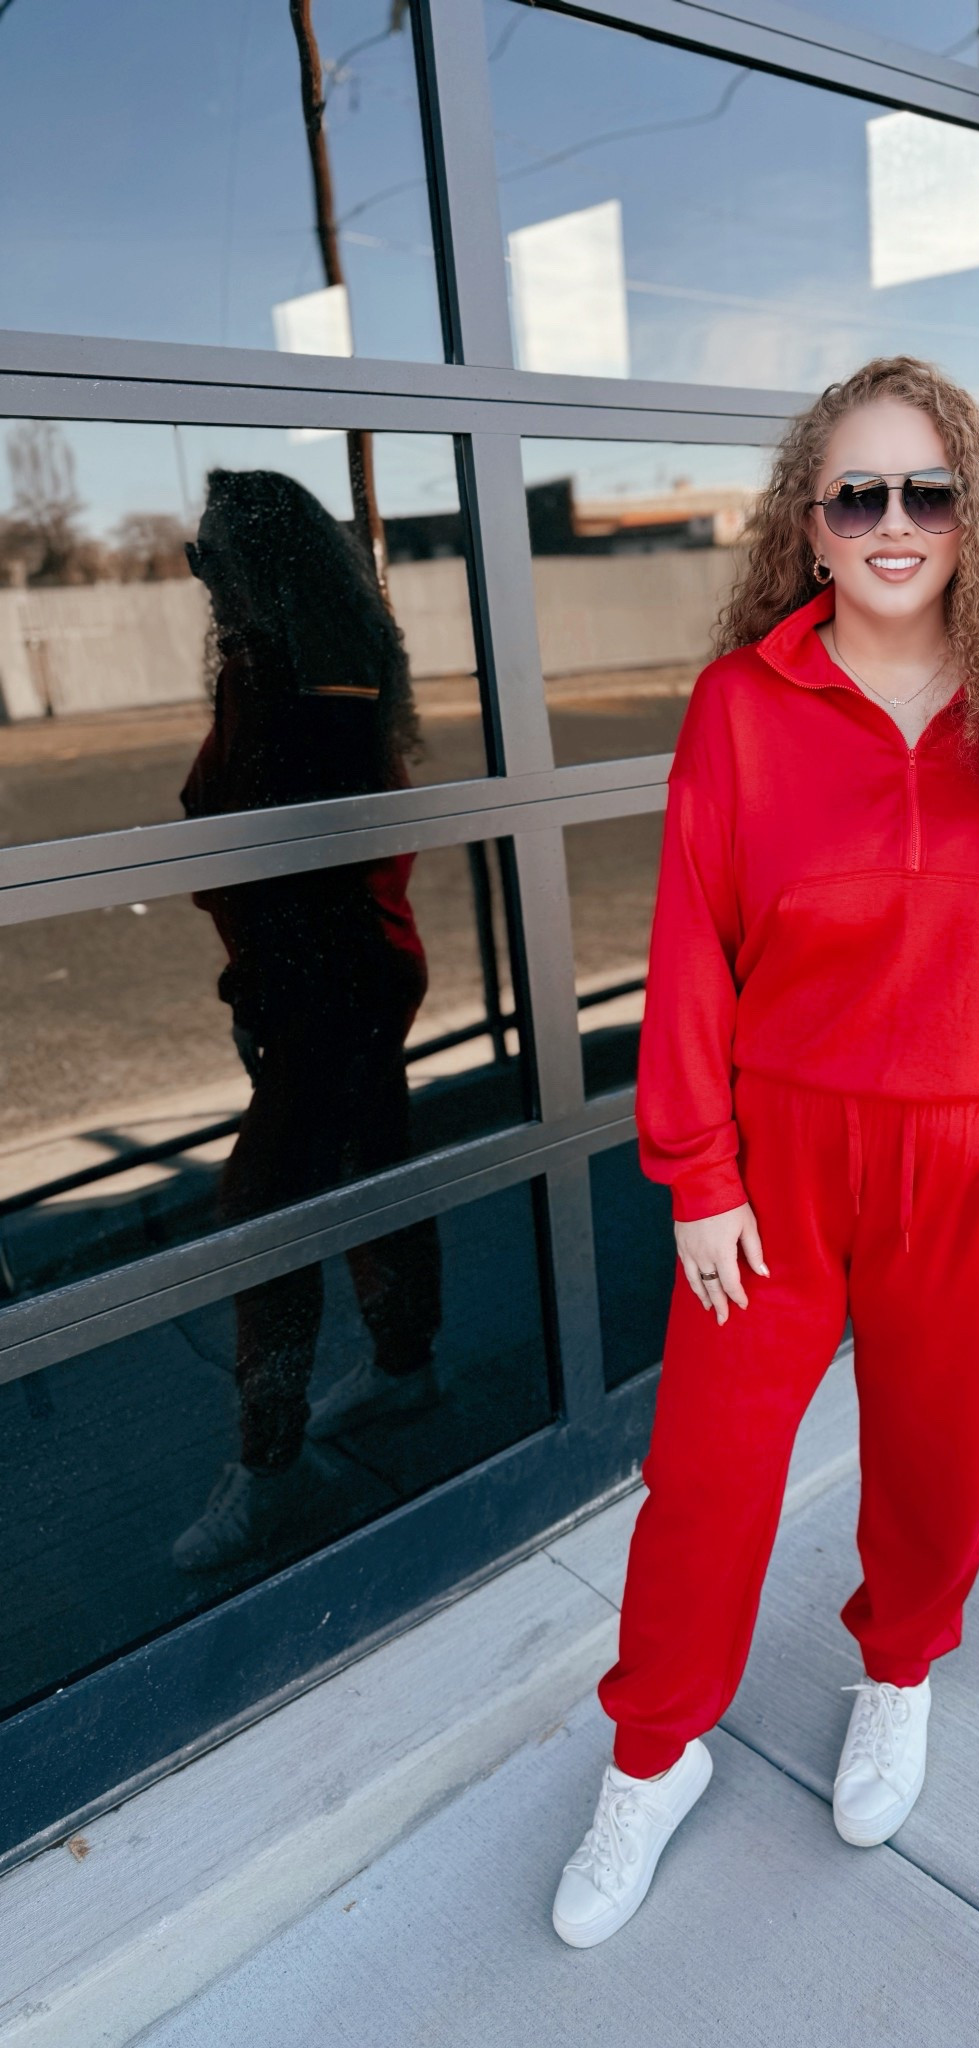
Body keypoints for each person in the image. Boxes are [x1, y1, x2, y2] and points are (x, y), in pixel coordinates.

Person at [551, 356, 979, 1947]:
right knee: (703, 1482)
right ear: (810, 525)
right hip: (779, 1162)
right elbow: (691, 955)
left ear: (978, 513)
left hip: (971, 1157)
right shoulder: (744, 709)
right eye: (857, 495)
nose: (893, 524)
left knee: (933, 1455)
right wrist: (701, 1177)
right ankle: (652, 1758)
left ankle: (898, 1678)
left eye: (927, 491)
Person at [172, 467, 444, 1574]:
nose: (201, 576)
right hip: (325, 976)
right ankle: (404, 1362)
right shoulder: (282, 656)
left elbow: (309, 858)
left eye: (212, 556)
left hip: (334, 975)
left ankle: (272, 1468)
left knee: (264, 1203)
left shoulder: (308, 664)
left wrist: (270, 996)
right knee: (375, 1155)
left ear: (258, 562)